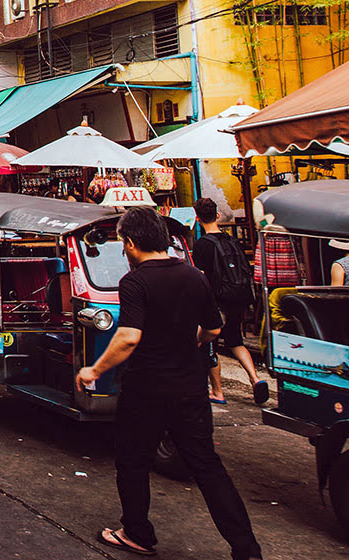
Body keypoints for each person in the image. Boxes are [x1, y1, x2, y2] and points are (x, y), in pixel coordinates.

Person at [76, 207, 262, 560]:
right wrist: (190, 337)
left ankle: (137, 533)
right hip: (190, 387)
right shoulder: (195, 276)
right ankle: (247, 549)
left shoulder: (135, 281)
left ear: (130, 244)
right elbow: (214, 329)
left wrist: (94, 370)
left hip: (146, 389)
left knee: (133, 461)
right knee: (207, 465)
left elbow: (129, 337)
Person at [190, 198, 268, 406]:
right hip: (239, 297)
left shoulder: (201, 245)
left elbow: (201, 277)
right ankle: (255, 378)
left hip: (217, 300)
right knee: (235, 340)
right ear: (217, 216)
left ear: (197, 219)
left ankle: (217, 391)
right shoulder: (232, 241)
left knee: (210, 345)